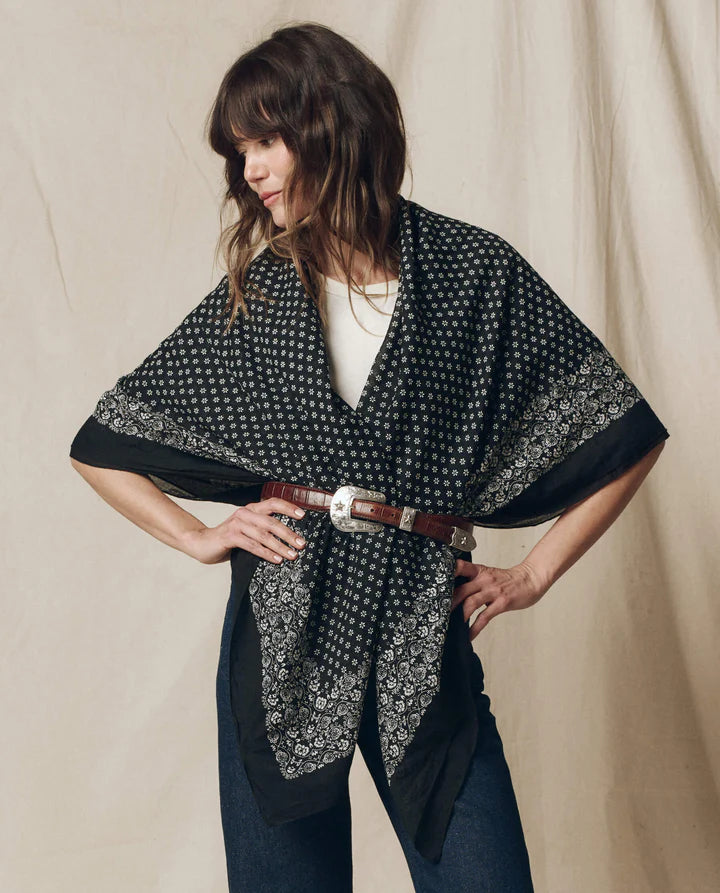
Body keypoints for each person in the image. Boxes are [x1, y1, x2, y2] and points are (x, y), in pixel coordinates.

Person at [69, 21, 668, 893]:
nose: (251, 172)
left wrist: (533, 575)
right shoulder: (263, 293)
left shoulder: (473, 275)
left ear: (332, 124)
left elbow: (623, 434)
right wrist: (200, 536)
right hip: (283, 630)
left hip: (423, 620)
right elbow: (103, 446)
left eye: (266, 141)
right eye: (240, 153)